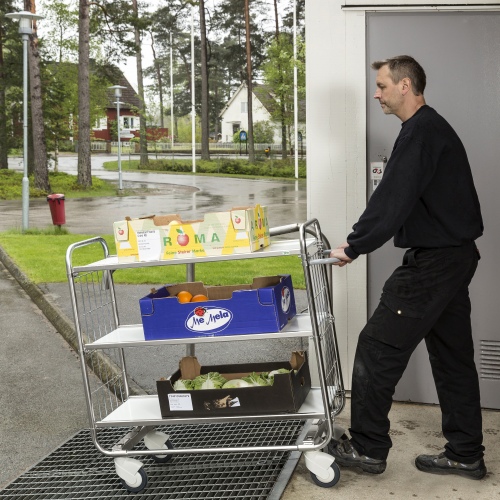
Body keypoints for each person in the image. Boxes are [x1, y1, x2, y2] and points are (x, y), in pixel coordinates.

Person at [328, 55, 486, 480]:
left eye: (381, 86)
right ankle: (466, 453)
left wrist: (354, 245)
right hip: (455, 257)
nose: (376, 94)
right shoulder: (429, 128)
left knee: (376, 348)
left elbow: (392, 198)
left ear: (405, 86)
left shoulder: (420, 133)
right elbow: (403, 198)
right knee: (453, 358)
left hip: (435, 264)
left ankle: (366, 447)